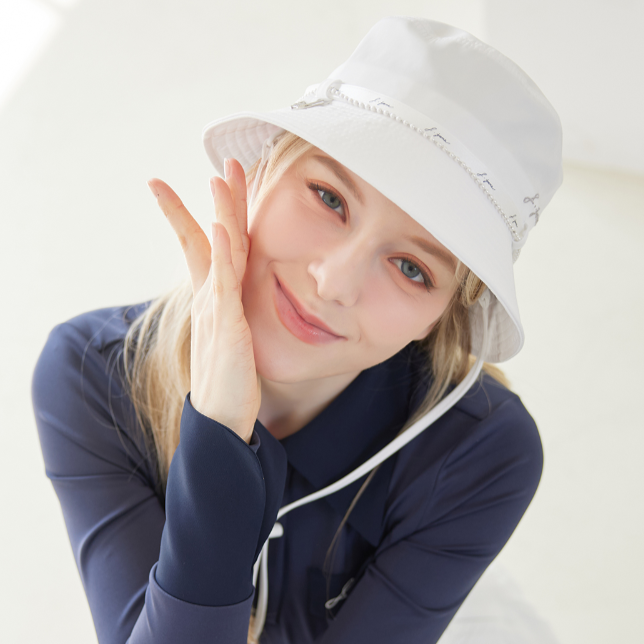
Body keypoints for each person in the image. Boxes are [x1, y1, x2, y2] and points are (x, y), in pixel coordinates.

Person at [31, 15, 563, 644]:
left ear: (439, 319)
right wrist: (219, 433)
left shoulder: (480, 451)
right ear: (259, 173)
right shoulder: (93, 372)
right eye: (329, 198)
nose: (334, 282)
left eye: (411, 269)